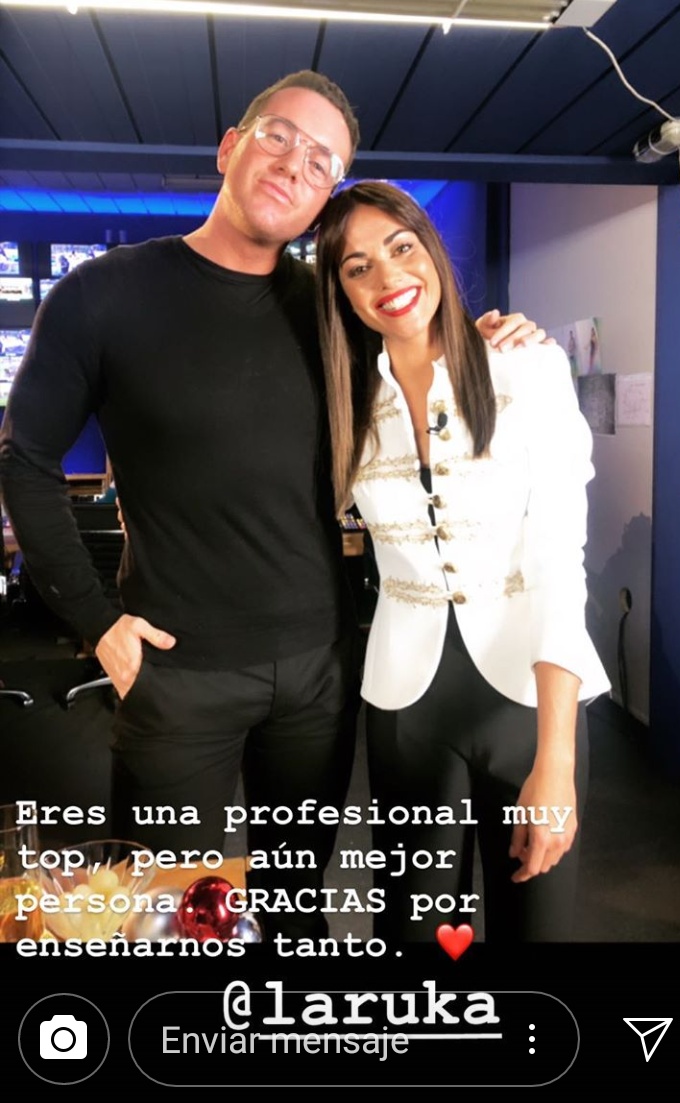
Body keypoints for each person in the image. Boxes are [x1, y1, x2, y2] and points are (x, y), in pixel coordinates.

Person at [0, 71, 546, 942]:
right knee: (166, 919)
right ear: (230, 147)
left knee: (296, 907)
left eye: (322, 159)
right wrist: (96, 622)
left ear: (327, 195)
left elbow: (419, 346)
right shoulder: (103, 294)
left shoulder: (331, 309)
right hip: (177, 673)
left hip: (320, 670)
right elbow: (24, 458)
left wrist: (494, 340)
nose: (297, 163)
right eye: (280, 136)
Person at [315, 181, 610, 943]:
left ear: (434, 251)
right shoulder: (347, 400)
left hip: (528, 702)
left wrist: (556, 760)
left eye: (401, 248)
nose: (387, 277)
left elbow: (560, 560)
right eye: (357, 267)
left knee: (536, 930)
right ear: (340, 291)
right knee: (413, 936)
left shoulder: (526, 367)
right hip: (406, 704)